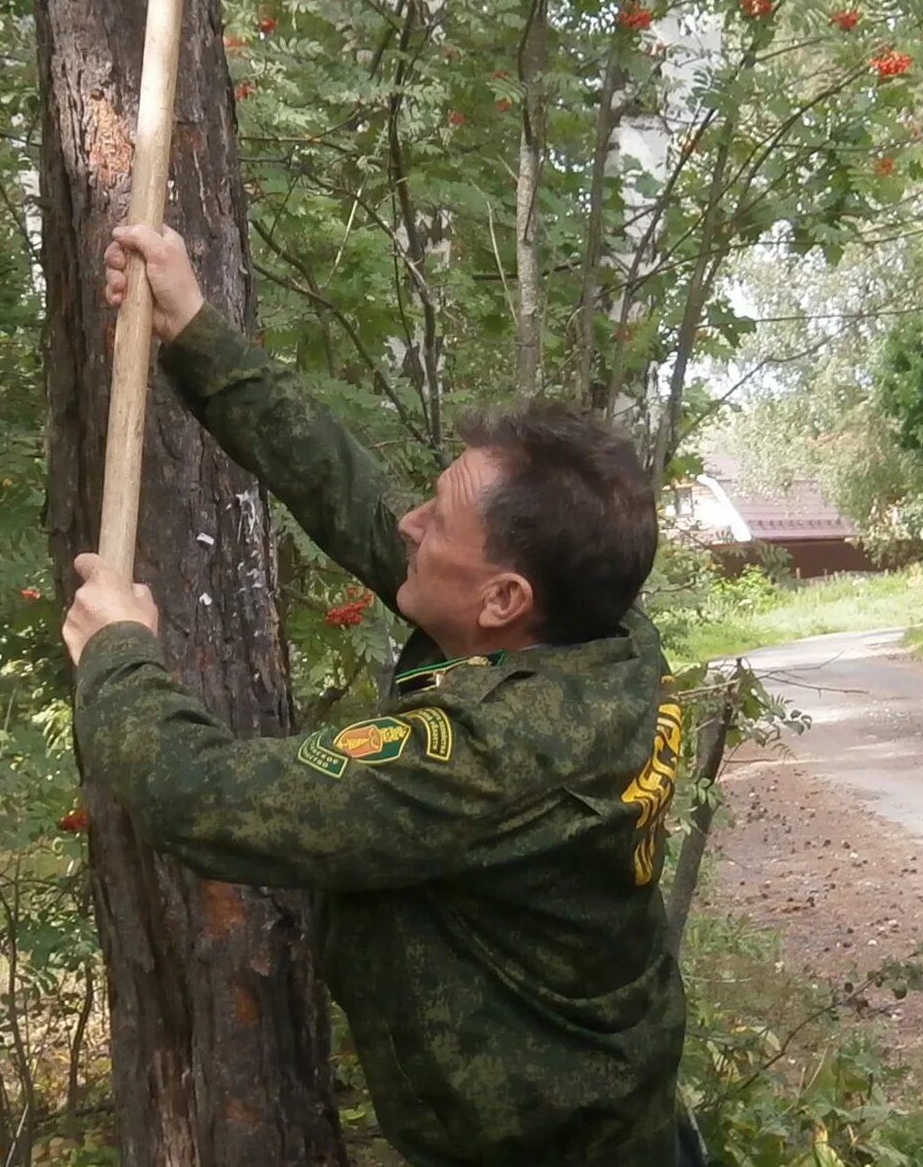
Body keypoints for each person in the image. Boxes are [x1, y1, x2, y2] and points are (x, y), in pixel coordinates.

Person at [62, 224, 701, 1167]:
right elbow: (354, 496)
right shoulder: (600, 627)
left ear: (501, 599)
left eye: (435, 520)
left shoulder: (492, 757)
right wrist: (192, 328)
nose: (406, 522)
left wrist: (117, 652)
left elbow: (206, 801)